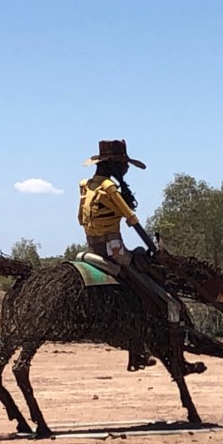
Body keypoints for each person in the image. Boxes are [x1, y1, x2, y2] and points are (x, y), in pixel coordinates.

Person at [78, 139, 185, 334]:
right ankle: (171, 317)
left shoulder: (86, 185)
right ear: (114, 165)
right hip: (115, 250)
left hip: (93, 248)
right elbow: (133, 221)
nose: (126, 168)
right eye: (124, 164)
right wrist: (153, 249)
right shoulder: (109, 187)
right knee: (145, 272)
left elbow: (81, 218)